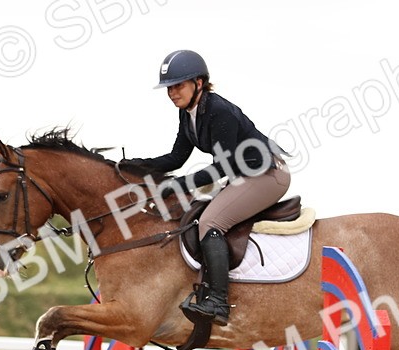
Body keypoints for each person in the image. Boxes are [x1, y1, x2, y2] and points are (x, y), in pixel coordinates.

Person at [124, 50, 290, 327]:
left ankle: (218, 302)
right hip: (243, 175)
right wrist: (138, 166)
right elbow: (177, 158)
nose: (172, 93)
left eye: (178, 85)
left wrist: (179, 185)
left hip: (267, 175)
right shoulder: (187, 113)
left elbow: (220, 168)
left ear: (198, 83)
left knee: (211, 221)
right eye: (169, 87)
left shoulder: (218, 111)